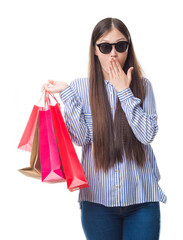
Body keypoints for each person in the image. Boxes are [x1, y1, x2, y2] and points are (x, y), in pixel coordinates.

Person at [43, 17, 167, 240]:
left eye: (120, 46)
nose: (113, 54)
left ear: (128, 47)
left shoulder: (143, 85)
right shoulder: (80, 87)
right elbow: (81, 139)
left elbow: (147, 135)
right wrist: (67, 94)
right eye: (105, 46)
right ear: (95, 50)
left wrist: (124, 92)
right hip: (97, 203)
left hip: (142, 201)